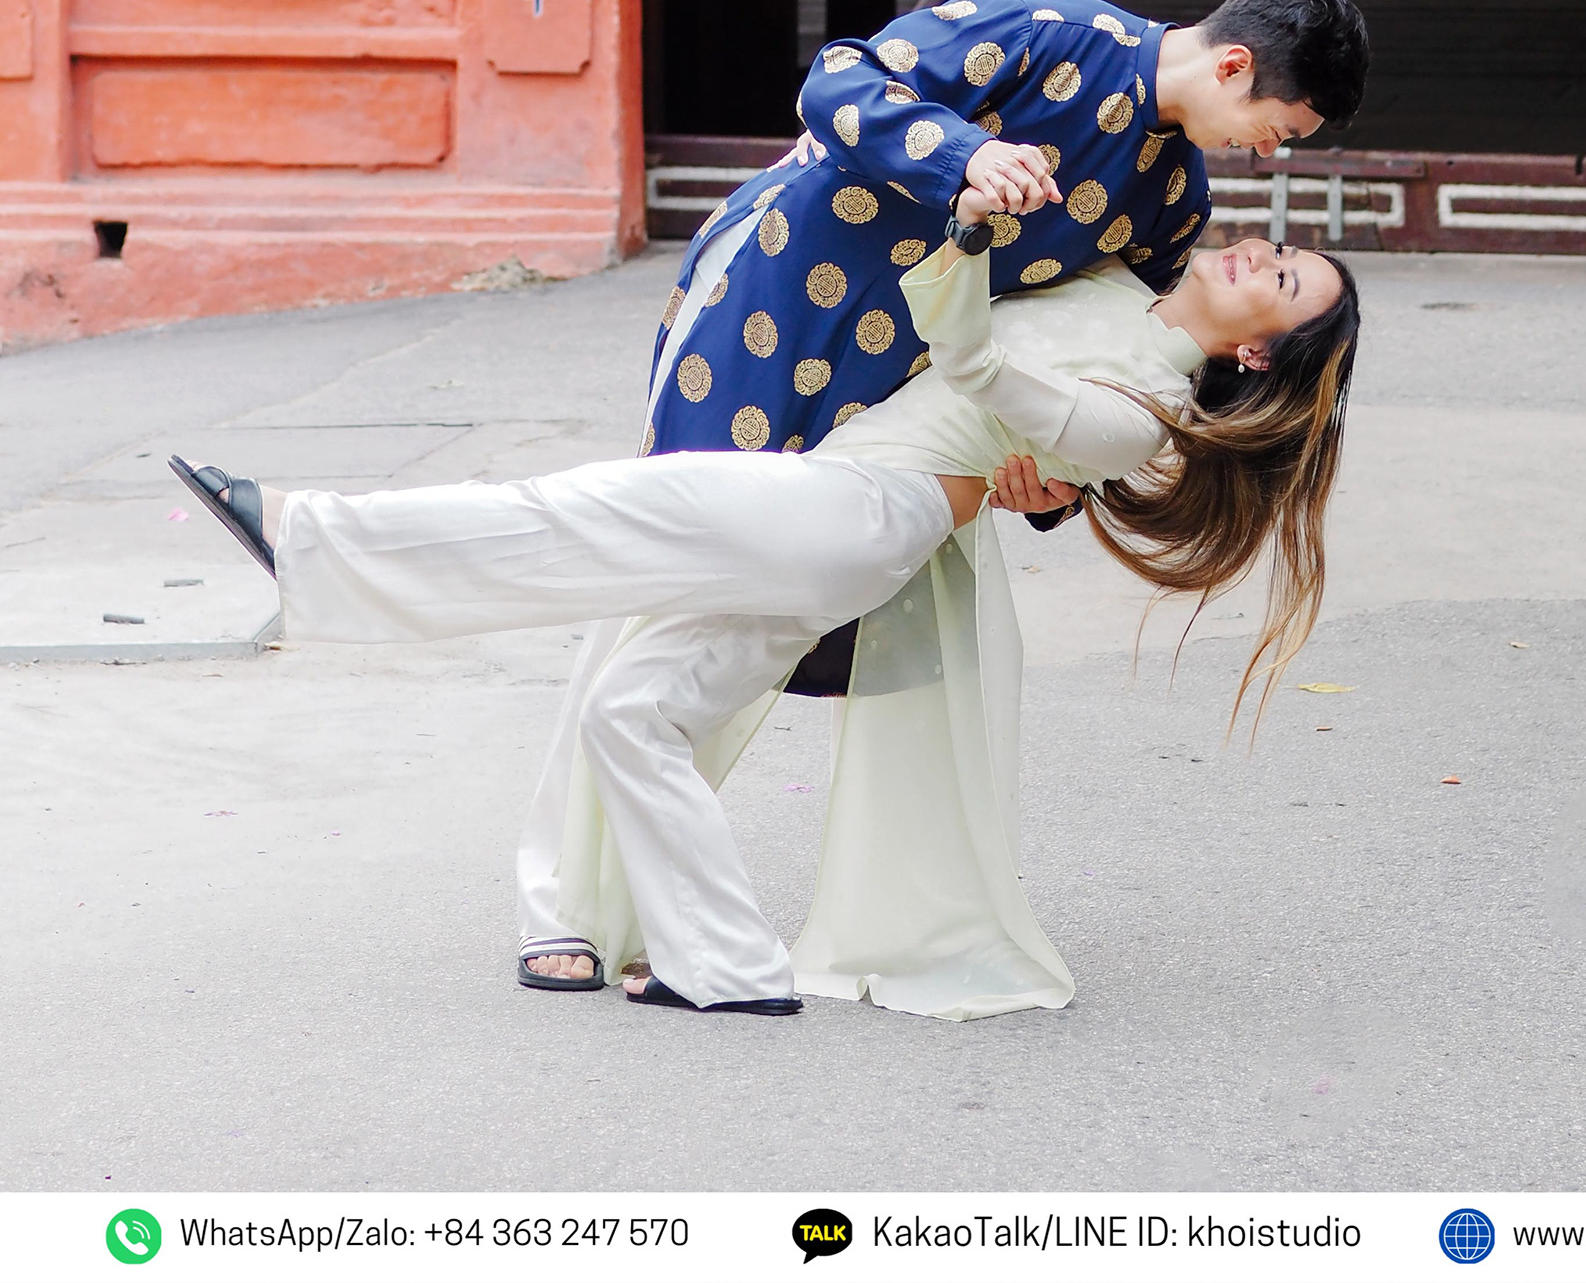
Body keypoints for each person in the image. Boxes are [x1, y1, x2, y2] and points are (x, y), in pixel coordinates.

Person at [170, 177, 1360, 1020]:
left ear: (1257, 354)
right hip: (835, 512)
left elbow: (983, 371)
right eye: (1280, 248)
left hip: (865, 512)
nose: (1261, 253)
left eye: (1285, 280)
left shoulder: (1144, 411)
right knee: (631, 712)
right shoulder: (1107, 285)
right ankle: (724, 963)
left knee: (590, 511)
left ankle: (308, 539)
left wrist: (968, 231)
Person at [644, 0, 1369, 464]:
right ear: (1233, 65)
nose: (1269, 153)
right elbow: (837, 80)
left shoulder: (1177, 202)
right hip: (773, 279)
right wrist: (963, 155)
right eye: (1281, 129)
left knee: (792, 594)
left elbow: (1119, 352)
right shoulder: (1045, 27)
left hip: (901, 371)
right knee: (680, 514)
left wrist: (1054, 481)